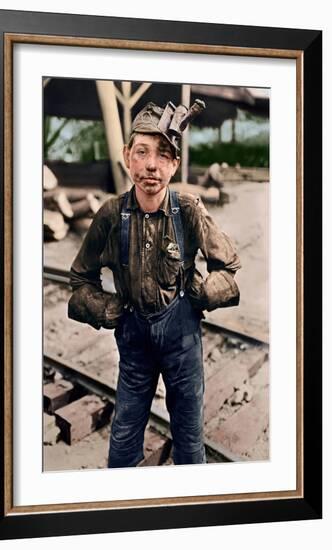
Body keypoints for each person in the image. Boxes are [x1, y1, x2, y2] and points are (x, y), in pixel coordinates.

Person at [68, 100, 241, 468]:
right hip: (134, 347)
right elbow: (79, 280)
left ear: (174, 164)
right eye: (142, 152)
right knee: (124, 441)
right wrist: (105, 307)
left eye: (163, 155)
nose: (151, 165)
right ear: (127, 156)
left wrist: (204, 292)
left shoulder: (190, 209)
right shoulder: (110, 216)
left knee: (190, 444)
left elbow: (228, 268)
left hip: (182, 344)